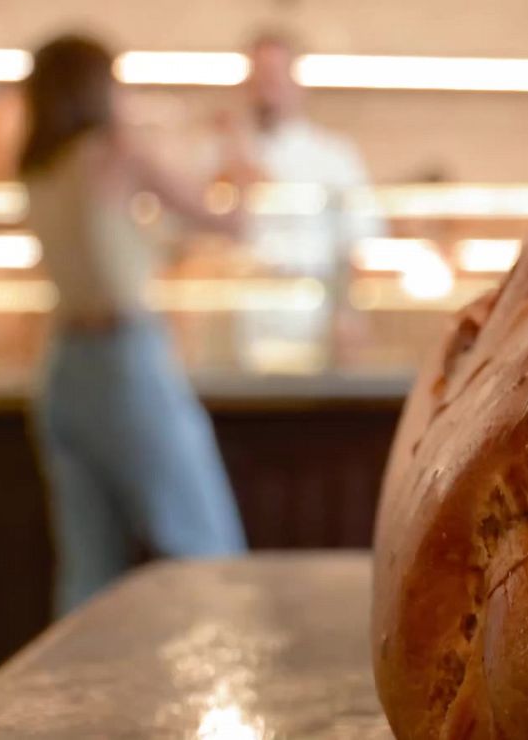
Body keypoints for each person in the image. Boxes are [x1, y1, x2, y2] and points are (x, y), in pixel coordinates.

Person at [21, 34, 247, 614]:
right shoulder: (114, 151)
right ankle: (227, 668)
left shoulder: (36, 167)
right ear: (97, 88)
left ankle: (77, 677)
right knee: (205, 546)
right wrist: (234, 148)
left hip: (60, 368)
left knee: (87, 571)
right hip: (123, 363)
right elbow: (226, 221)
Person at [225, 31, 384, 371]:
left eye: (274, 75)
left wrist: (349, 314)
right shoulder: (219, 155)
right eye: (259, 76)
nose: (266, 87)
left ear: (297, 82)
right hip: (242, 321)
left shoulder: (334, 156)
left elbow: (357, 242)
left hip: (313, 319)